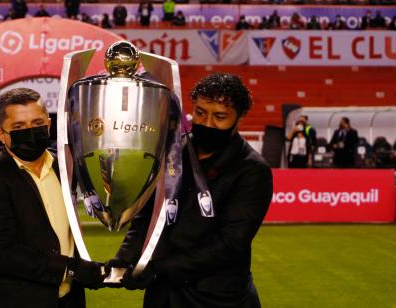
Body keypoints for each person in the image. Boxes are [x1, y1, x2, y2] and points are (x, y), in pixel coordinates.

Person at [108, 73, 273, 307]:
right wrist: (124, 258)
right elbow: (147, 216)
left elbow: (229, 244)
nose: (207, 123)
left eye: (220, 116)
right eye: (201, 113)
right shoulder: (171, 152)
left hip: (217, 298)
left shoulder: (252, 169)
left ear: (240, 118)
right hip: (162, 295)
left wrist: (160, 269)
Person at [0, 88, 105, 307]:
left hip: (69, 299)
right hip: (15, 300)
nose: (30, 131)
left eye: (37, 123)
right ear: (1, 134)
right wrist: (69, 268)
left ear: (49, 125)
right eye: (19, 127)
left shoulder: (65, 167)